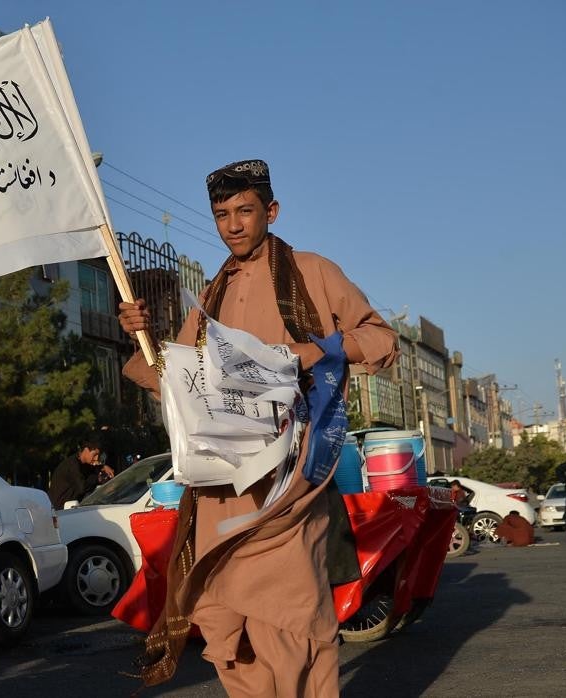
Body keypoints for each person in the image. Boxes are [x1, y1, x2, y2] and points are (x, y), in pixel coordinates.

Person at [118, 159, 399, 694]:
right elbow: (178, 377)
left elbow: (382, 340)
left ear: (270, 211)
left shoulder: (314, 272)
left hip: (290, 487)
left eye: (244, 211)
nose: (233, 225)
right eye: (222, 214)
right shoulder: (214, 296)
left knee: (290, 625)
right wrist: (142, 337)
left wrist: (315, 351)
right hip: (221, 488)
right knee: (225, 628)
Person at [47, 435, 113, 509]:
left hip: (72, 510)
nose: (96, 458)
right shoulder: (72, 465)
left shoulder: (85, 465)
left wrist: (103, 467)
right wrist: (98, 479)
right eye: (94, 454)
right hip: (58, 512)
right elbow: (82, 488)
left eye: (98, 455)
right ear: (86, 450)